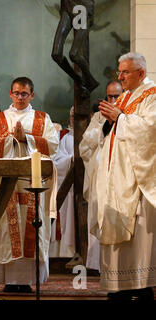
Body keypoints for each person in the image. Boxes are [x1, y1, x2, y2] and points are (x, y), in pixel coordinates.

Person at [0, 77, 59, 293]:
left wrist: (27, 138)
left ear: (32, 95)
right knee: (7, 228)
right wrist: (11, 139)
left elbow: (53, 146)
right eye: (16, 93)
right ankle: (9, 279)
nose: (19, 98)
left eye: (24, 94)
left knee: (31, 227)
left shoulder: (42, 119)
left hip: (32, 183)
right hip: (6, 183)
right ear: (10, 94)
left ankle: (26, 280)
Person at [95, 52, 155, 300]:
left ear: (140, 73)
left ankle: (139, 288)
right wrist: (110, 122)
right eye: (118, 72)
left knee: (138, 237)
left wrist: (119, 118)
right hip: (116, 178)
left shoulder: (151, 95)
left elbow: (150, 130)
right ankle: (118, 289)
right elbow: (111, 134)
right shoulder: (127, 96)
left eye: (125, 72)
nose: (120, 77)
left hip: (136, 181)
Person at [79, 80, 122, 272]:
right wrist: (104, 128)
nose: (112, 100)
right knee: (99, 214)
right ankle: (99, 264)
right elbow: (84, 147)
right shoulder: (98, 116)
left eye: (116, 96)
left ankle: (120, 263)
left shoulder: (130, 115)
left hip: (121, 176)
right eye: (109, 96)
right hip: (100, 176)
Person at [50, 106, 75, 260]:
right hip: (67, 188)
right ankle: (65, 254)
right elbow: (57, 162)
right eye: (72, 115)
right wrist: (72, 161)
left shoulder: (92, 134)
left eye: (76, 115)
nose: (73, 118)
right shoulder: (66, 137)